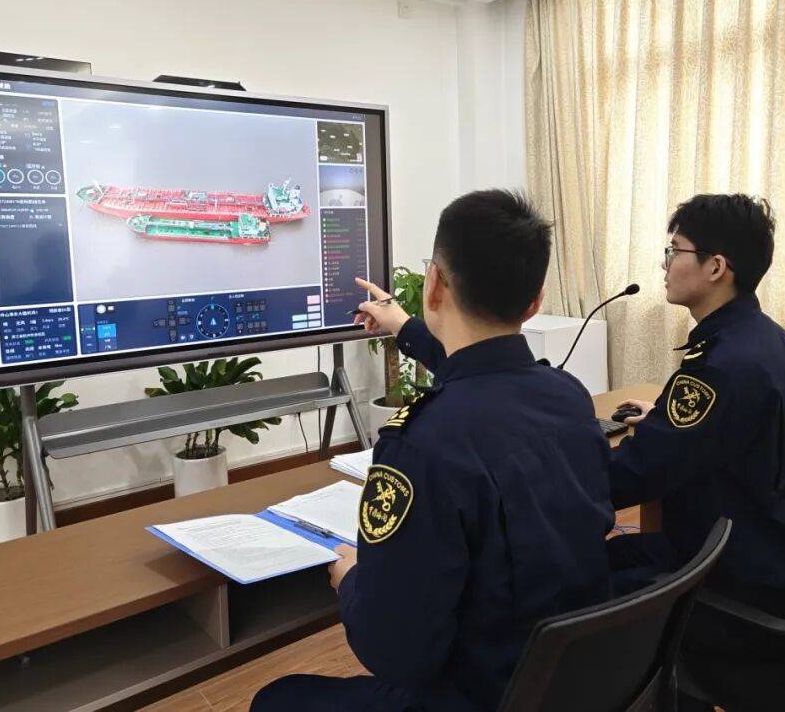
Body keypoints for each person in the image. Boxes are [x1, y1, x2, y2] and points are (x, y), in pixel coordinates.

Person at [252, 190, 614, 712]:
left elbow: (396, 652)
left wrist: (352, 580)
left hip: (475, 695)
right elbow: (482, 374)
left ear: (435, 283)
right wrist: (403, 326)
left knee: (277, 699)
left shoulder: (420, 445)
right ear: (535, 302)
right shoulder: (569, 396)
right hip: (564, 680)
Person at [607, 194, 785, 706]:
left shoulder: (720, 366)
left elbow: (638, 473)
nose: (665, 264)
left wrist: (556, 472)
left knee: (579, 576)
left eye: (675, 251)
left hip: (741, 581)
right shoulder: (765, 338)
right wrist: (666, 420)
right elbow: (725, 433)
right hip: (781, 555)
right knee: (614, 554)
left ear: (716, 267)